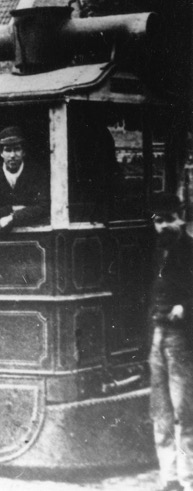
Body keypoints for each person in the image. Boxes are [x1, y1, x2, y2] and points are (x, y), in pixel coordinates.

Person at [148, 192, 193, 491]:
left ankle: (190, 479)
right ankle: (170, 478)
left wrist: (186, 307)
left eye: (168, 219)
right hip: (158, 335)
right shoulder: (155, 251)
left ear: (181, 217)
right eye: (158, 221)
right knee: (161, 410)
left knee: (184, 410)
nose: (163, 226)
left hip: (181, 338)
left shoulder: (190, 249)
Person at [0, 126, 49, 232]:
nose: (12, 155)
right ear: (1, 153)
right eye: (8, 150)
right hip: (0, 233)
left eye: (17, 149)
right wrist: (12, 209)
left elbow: (44, 207)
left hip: (31, 232)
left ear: (23, 152)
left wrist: (13, 217)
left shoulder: (36, 172)